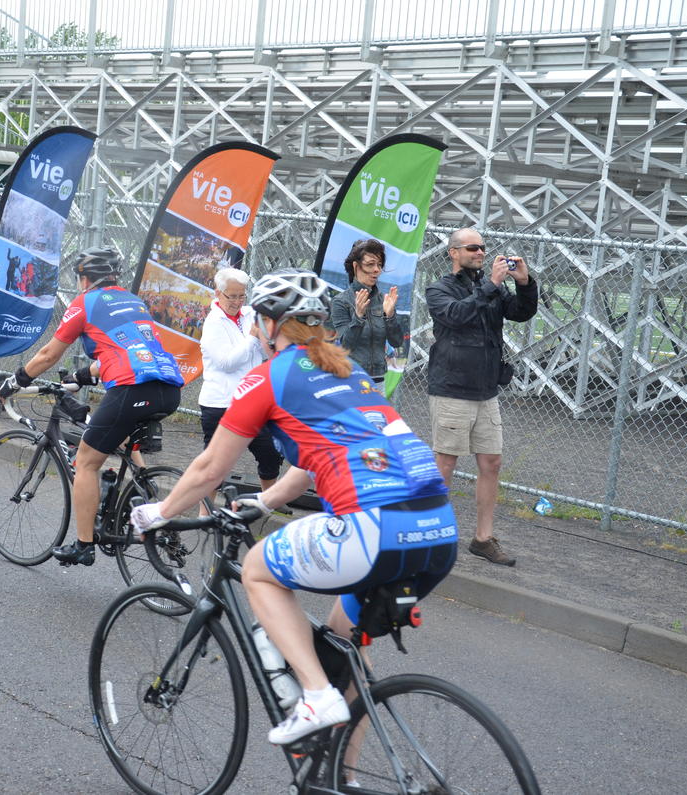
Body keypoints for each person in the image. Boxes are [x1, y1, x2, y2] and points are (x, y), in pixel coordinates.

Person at [130, 269, 456, 745]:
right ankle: (341, 775)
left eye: (257, 320)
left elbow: (209, 469)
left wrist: (159, 513)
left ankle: (316, 696)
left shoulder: (269, 377)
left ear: (269, 325)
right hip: (437, 529)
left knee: (258, 570)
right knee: (345, 651)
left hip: (372, 527)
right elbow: (313, 461)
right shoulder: (349, 371)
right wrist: (264, 500)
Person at [0, 246, 184, 566]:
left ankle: (84, 545)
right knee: (120, 433)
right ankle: (145, 487)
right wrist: (81, 377)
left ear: (85, 278)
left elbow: (48, 355)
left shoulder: (85, 303)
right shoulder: (133, 301)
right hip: (169, 389)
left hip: (132, 388)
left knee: (86, 462)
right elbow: (122, 349)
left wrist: (15, 381)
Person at [425, 228, 538, 567]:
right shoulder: (439, 288)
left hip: (486, 390)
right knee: (446, 463)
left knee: (492, 463)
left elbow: (520, 312)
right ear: (453, 253)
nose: (480, 253)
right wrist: (491, 284)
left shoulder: (491, 288)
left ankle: (483, 539)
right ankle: (431, 535)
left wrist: (524, 282)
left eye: (483, 248)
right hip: (452, 388)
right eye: (472, 247)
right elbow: (456, 316)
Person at [198, 267, 283, 494]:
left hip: (251, 400)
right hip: (221, 403)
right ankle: (205, 510)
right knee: (215, 464)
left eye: (242, 296)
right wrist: (253, 338)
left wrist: (267, 339)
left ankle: (270, 501)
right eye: (232, 296)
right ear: (218, 293)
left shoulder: (249, 314)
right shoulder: (213, 323)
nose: (237, 302)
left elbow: (262, 353)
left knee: (270, 452)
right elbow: (227, 362)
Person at [329, 238, 405, 384]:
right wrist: (358, 316)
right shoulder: (341, 301)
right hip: (351, 378)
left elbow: (397, 342)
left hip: (378, 379)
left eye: (379, 265)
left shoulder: (384, 300)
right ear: (355, 266)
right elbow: (345, 346)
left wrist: (390, 316)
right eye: (370, 264)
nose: (377, 269)